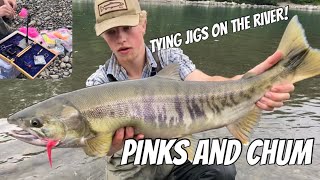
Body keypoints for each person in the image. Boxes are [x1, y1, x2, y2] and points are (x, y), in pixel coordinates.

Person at [86, 0, 294, 179]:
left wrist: (249, 82)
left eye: (127, 27)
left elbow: (208, 83)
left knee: (221, 170)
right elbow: (99, 149)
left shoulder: (170, 58)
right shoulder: (97, 85)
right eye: (111, 32)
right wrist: (113, 145)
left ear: (143, 24)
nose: (121, 38)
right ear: (102, 35)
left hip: (175, 154)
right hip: (129, 166)